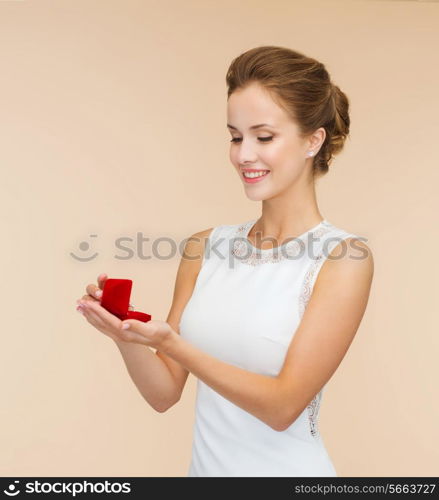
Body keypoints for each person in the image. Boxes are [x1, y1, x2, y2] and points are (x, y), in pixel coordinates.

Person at [76, 45, 374, 477]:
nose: (243, 155)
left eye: (264, 137)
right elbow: (164, 394)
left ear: (314, 140)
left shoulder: (343, 258)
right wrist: (124, 332)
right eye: (236, 137)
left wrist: (171, 343)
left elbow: (282, 407)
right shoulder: (204, 248)